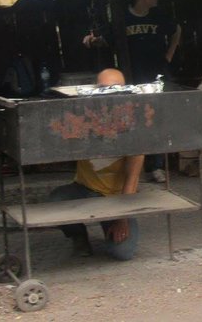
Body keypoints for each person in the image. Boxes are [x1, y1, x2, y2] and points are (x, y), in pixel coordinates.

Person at [83, 0, 181, 182]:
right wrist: (92, 40)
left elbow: (177, 30)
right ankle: (133, 168)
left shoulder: (158, 16)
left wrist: (168, 56)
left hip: (156, 77)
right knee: (134, 121)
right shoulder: (123, 19)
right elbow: (105, 40)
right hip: (131, 79)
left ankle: (156, 166)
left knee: (156, 120)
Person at [49, 68, 144, 260]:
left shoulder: (133, 128)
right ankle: (79, 237)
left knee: (122, 252)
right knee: (56, 201)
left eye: (114, 89)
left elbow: (132, 179)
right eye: (103, 88)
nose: (108, 94)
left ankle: (110, 225)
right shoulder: (82, 118)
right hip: (83, 189)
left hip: (116, 198)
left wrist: (122, 219)